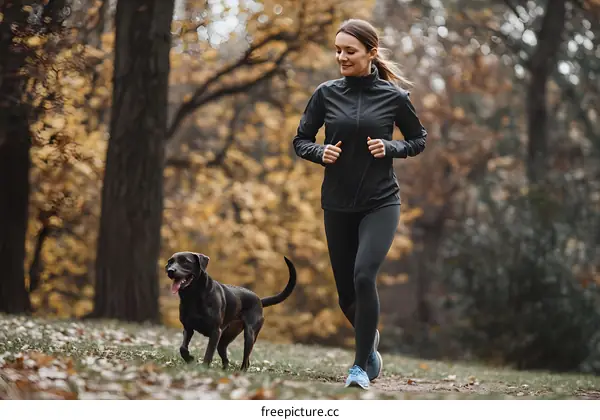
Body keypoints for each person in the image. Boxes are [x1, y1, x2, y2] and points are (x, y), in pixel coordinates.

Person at [292, 18, 427, 389]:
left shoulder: (394, 97)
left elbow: (418, 139)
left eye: (349, 51)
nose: (341, 57)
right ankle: (371, 345)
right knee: (346, 297)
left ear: (371, 52)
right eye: (337, 50)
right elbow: (300, 139)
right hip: (336, 204)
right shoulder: (325, 93)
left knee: (364, 274)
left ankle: (358, 369)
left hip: (380, 202)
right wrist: (320, 152)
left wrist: (391, 147)